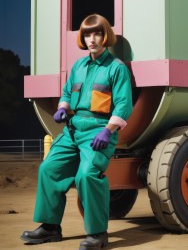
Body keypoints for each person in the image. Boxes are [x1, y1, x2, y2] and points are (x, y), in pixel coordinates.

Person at [21, 14, 133, 250]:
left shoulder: (116, 68)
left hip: (99, 132)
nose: (92, 39)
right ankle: (50, 227)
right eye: (87, 34)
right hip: (73, 129)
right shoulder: (78, 67)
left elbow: (123, 105)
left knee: (87, 175)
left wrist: (108, 130)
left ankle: (98, 234)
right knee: (49, 169)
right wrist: (63, 108)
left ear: (105, 36)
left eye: (97, 33)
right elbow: (66, 94)